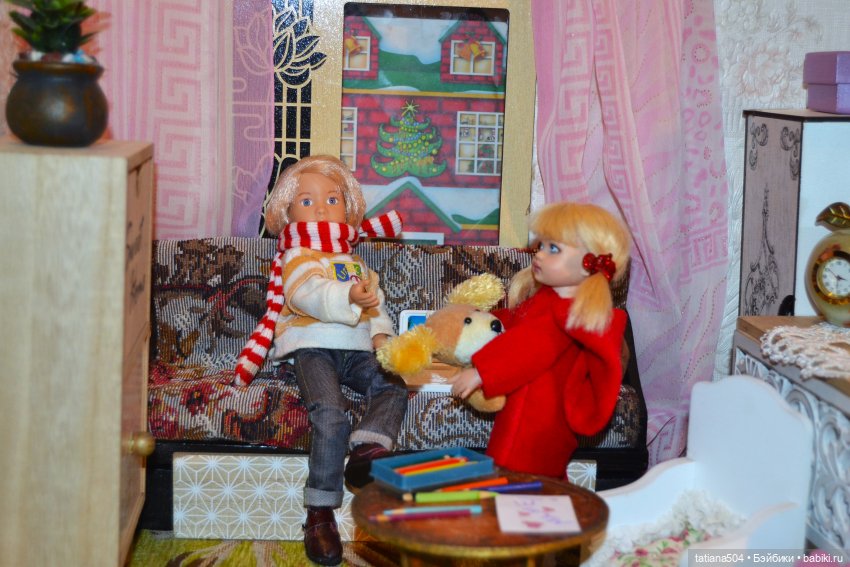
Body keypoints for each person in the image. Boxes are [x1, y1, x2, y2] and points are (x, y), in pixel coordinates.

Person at [234, 155, 407, 566]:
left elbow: (376, 305)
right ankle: (320, 512)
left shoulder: (355, 261)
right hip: (312, 346)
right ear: (287, 211)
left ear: (347, 207)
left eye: (332, 199)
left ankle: (368, 448)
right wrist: (347, 295)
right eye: (307, 201)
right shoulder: (297, 256)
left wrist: (382, 334)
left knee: (394, 384)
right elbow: (304, 294)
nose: (322, 209)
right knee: (330, 412)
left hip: (357, 348)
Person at [451, 201, 631, 479]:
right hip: (532, 406)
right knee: (530, 474)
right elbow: (517, 320)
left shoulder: (567, 313)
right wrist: (480, 319)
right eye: (542, 246)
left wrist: (482, 372)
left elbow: (530, 345)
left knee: (516, 470)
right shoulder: (551, 299)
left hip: (537, 414)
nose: (540, 254)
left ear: (588, 264)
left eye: (553, 249)